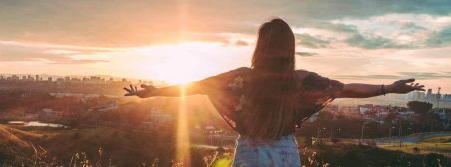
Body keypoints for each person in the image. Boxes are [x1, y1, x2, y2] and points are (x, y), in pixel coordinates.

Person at [123, 18, 425, 167]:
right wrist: (388, 88)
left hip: (250, 152)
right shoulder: (301, 81)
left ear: (260, 46)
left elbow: (194, 86)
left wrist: (151, 92)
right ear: (289, 48)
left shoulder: (241, 79)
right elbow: (346, 90)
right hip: (284, 154)